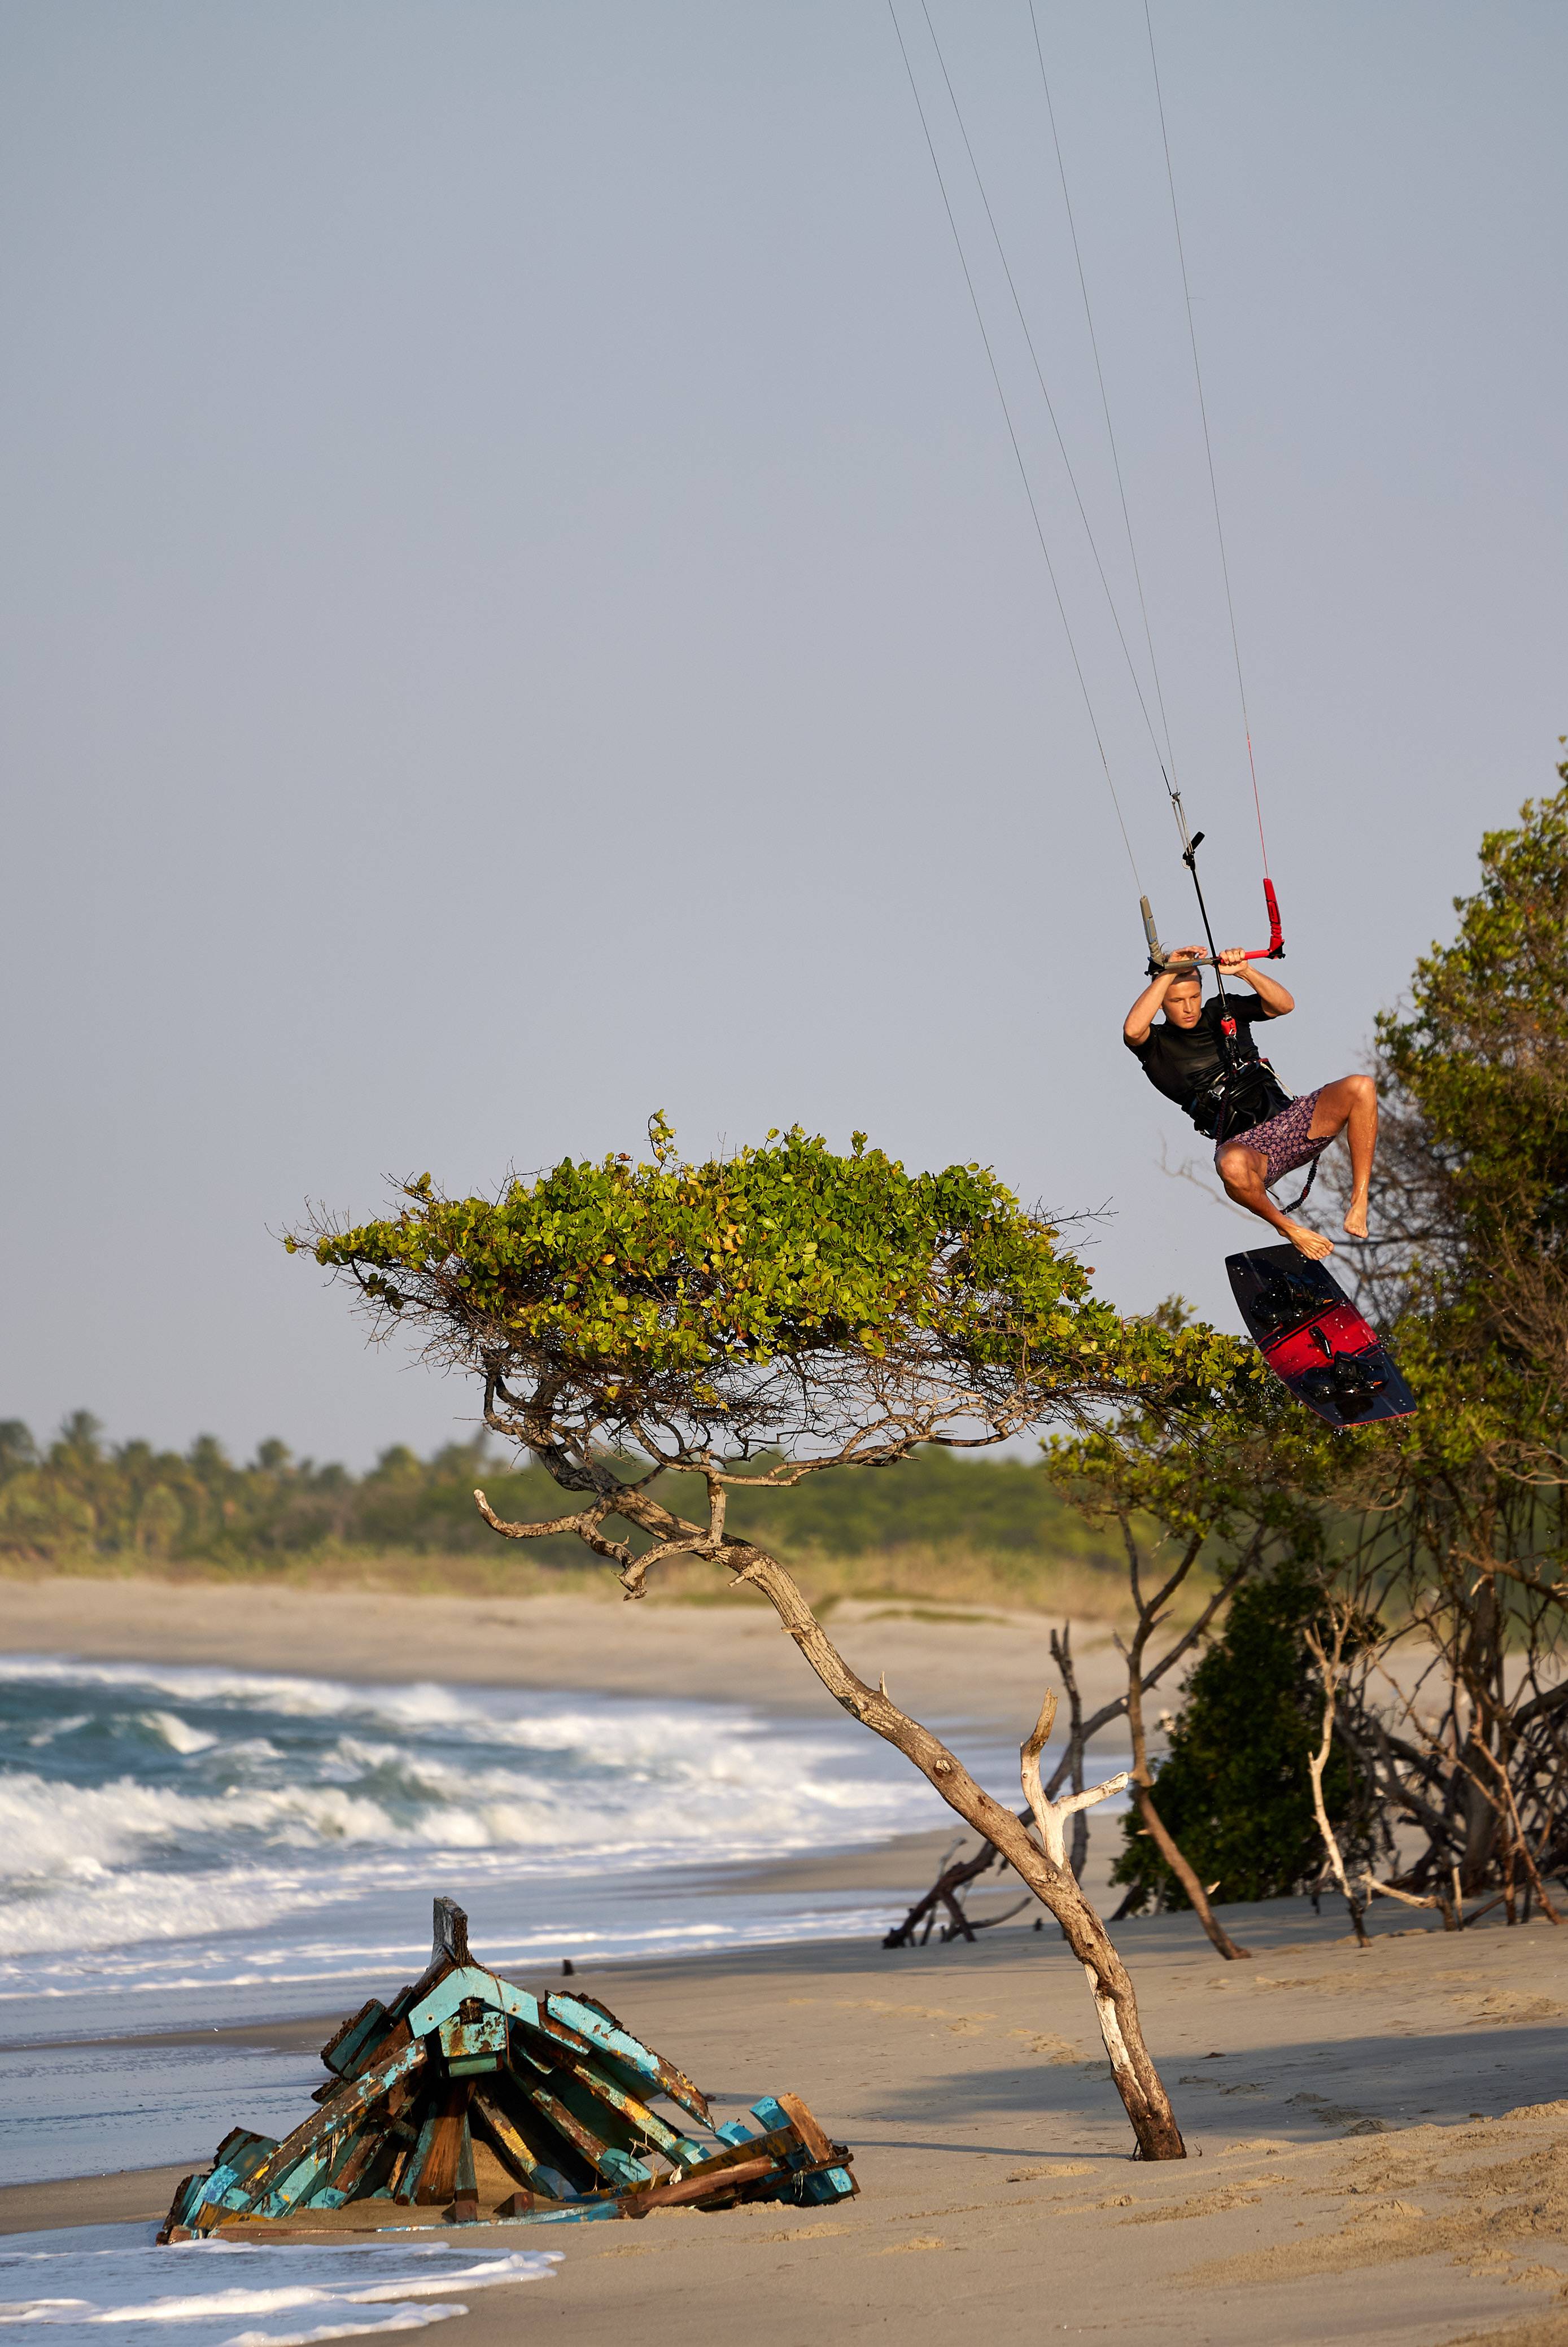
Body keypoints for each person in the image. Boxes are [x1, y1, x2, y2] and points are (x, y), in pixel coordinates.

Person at [1121, 949, 1376, 1261]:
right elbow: (1132, 1030)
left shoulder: (1222, 1010)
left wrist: (1245, 971)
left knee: (1360, 1086)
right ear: (1161, 1001)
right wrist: (1169, 972)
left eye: (1194, 997)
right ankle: (1288, 1228)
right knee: (1228, 1165)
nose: (1189, 1007)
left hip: (1292, 1123)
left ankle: (1359, 1199)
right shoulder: (1155, 1045)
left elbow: (1284, 1005)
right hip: (1248, 1149)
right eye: (1177, 1001)